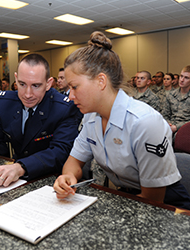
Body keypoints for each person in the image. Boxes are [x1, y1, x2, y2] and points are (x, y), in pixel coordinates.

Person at [53, 31, 190, 210]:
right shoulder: (91, 117)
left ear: (101, 81)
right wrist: (68, 177)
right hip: (125, 196)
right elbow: (74, 161)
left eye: (75, 87)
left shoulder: (145, 123)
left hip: (165, 205)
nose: (70, 96)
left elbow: (152, 199)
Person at [0, 54, 82, 187]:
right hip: (15, 178)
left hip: (51, 180)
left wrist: (20, 167)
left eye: (36, 86)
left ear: (48, 84)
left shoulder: (63, 108)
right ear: (15, 79)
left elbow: (60, 151)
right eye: (22, 84)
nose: (27, 94)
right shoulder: (5, 104)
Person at [162, 65, 190, 135]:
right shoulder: (171, 95)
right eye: (181, 76)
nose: (182, 80)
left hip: (186, 129)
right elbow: (165, 114)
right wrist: (169, 124)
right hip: (170, 127)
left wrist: (176, 127)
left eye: (186, 78)